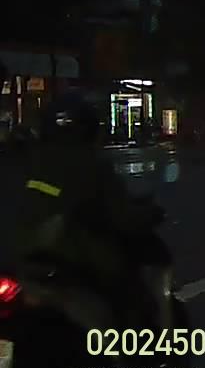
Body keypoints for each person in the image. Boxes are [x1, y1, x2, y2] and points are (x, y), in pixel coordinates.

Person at [8, 91, 168, 326]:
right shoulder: (92, 167)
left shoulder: (24, 162)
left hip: (23, 263)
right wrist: (149, 215)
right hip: (71, 266)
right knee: (130, 297)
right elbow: (122, 216)